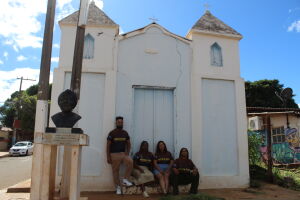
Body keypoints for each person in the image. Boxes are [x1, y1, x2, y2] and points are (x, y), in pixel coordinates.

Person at [107, 116, 133, 195]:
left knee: (130, 162)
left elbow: (128, 143)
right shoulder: (112, 133)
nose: (120, 123)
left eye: (121, 122)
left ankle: (125, 179)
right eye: (118, 122)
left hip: (123, 153)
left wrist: (127, 153)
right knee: (115, 172)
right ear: (116, 123)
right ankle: (118, 187)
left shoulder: (125, 133)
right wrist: (108, 156)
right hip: (114, 154)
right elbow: (108, 145)